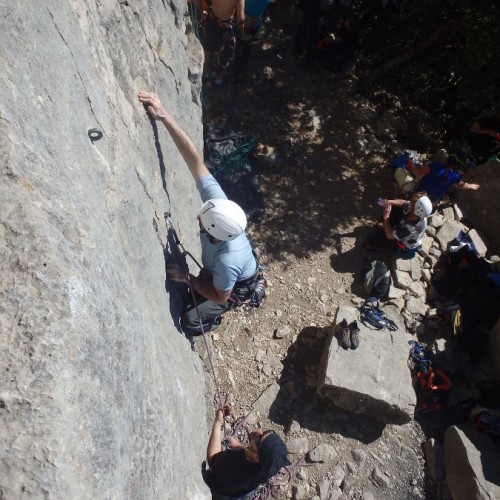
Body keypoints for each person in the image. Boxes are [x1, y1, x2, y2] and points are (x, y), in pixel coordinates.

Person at [138, 91, 261, 335]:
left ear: (212, 232)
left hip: (235, 285)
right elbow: (195, 162)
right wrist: (165, 117)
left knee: (190, 319)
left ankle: (211, 322)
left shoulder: (228, 261)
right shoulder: (220, 208)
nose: (198, 216)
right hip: (223, 269)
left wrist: (188, 279)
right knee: (199, 289)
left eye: (202, 220)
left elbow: (219, 294)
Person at [203, 407, 291, 499]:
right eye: (265, 432)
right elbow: (252, 455)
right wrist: (239, 446)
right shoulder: (265, 468)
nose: (259, 432)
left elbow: (212, 458)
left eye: (258, 439)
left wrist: (218, 422)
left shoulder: (233, 466)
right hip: (242, 491)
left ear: (256, 457)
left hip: (222, 493)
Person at [364, 192, 432, 255]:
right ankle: (386, 226)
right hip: (403, 230)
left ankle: (371, 246)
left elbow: (389, 235)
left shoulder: (409, 228)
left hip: (402, 244)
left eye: (411, 202)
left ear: (414, 208)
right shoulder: (418, 213)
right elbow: (404, 203)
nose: (409, 202)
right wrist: (390, 202)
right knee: (394, 207)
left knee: (380, 235)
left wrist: (386, 217)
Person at [406, 150, 480, 203]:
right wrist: (471, 185)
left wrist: (408, 162)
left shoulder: (435, 166)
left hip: (420, 194)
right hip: (432, 201)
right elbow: (462, 185)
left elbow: (416, 172)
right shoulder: (455, 177)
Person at [202, 0, 246, 86]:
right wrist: (242, 26)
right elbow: (240, 19)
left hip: (212, 19)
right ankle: (218, 79)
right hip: (226, 26)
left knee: (208, 48)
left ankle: (205, 74)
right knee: (225, 54)